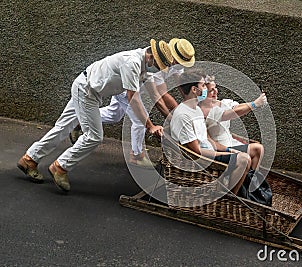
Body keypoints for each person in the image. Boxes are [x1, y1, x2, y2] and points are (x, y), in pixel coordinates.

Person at [17, 39, 171, 192]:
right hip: (87, 91)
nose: (157, 69)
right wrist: (150, 126)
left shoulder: (142, 63)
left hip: (85, 87)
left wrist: (169, 118)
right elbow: (133, 98)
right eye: (158, 66)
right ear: (152, 57)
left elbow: (154, 94)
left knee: (63, 127)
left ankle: (29, 159)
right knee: (94, 136)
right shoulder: (133, 63)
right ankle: (60, 167)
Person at [69, 38, 195, 168]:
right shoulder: (157, 61)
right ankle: (136, 156)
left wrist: (188, 106)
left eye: (182, 63)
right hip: (127, 87)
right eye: (177, 62)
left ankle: (81, 119)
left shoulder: (177, 64)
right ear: (172, 54)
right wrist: (170, 119)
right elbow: (159, 95)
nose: (177, 65)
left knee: (114, 115)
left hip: (131, 86)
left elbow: (182, 86)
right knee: (140, 120)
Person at [169, 70, 250, 195]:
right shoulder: (183, 115)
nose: (205, 88)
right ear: (194, 90)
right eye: (202, 85)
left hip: (209, 151)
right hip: (198, 158)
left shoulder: (196, 109)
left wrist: (229, 151)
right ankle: (231, 198)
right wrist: (219, 154)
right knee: (243, 160)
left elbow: (207, 139)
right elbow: (196, 152)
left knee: (246, 154)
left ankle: (238, 192)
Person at [199, 75, 267, 170]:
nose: (215, 92)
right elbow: (231, 114)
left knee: (258, 149)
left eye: (216, 88)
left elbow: (237, 108)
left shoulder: (221, 103)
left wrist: (255, 102)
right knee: (257, 149)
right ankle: (250, 180)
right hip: (221, 148)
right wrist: (254, 104)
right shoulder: (203, 111)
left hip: (232, 142)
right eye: (211, 90)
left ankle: (250, 179)